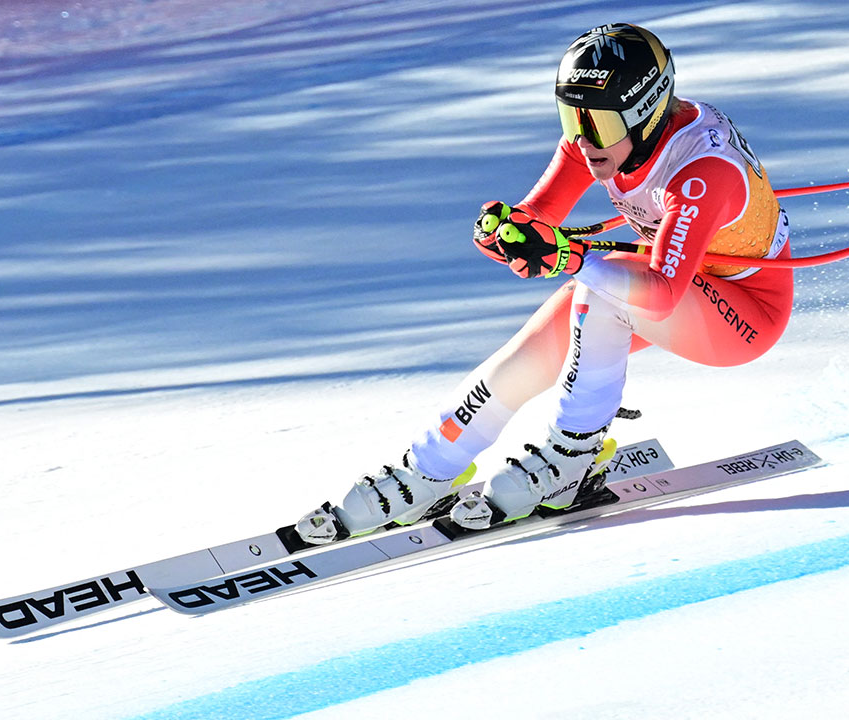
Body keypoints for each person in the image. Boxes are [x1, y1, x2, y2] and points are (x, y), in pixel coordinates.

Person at [295, 22, 794, 542]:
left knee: (595, 289)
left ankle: (573, 453)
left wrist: (570, 259)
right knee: (541, 342)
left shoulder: (700, 172)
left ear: (646, 111)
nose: (581, 138)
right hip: (670, 284)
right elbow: (542, 218)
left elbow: (663, 294)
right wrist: (509, 232)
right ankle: (432, 464)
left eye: (597, 122)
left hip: (744, 313)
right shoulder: (606, 137)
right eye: (570, 115)